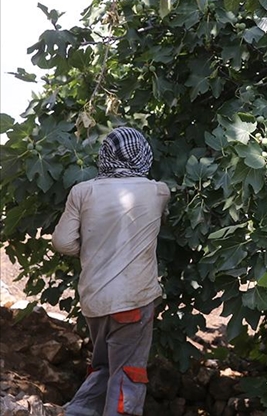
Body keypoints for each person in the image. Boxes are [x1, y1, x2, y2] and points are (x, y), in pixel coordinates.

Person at [52, 126, 170, 416]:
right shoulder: (158, 191)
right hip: (134, 301)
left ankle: (77, 412)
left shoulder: (82, 191)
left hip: (95, 302)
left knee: (104, 366)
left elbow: (62, 242)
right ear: (143, 154)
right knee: (127, 372)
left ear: (105, 155)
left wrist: (95, 249)